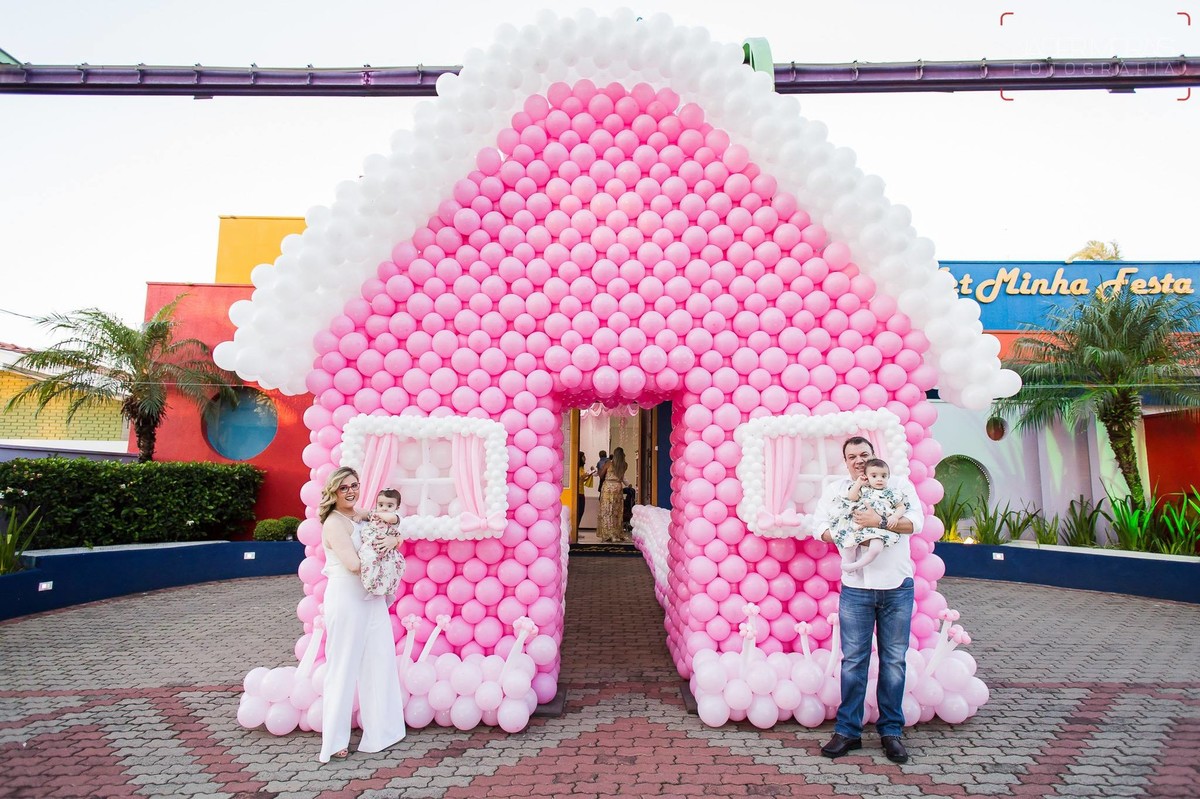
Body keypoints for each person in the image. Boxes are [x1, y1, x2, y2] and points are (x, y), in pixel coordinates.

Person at [813, 437, 923, 764]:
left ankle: (891, 733)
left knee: (893, 661)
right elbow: (820, 526)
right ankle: (848, 731)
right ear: (845, 461)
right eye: (852, 457)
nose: (859, 460)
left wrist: (880, 522)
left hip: (897, 587)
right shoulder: (836, 491)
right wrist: (849, 531)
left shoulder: (898, 484)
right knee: (854, 660)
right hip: (856, 588)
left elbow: (915, 522)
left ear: (874, 456)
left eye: (864, 455)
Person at [317, 467, 407, 763]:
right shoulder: (333, 523)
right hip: (347, 599)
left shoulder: (361, 515)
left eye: (354, 485)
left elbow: (396, 524)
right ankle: (335, 741)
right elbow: (355, 564)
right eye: (344, 488)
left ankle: (384, 731)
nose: (351, 491)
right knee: (343, 668)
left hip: (373, 598)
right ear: (333, 492)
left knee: (380, 661)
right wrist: (384, 552)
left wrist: (394, 541)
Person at [830, 458, 906, 574]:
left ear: (888, 477)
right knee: (849, 544)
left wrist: (895, 516)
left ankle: (856, 565)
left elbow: (901, 506)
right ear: (867, 477)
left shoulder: (892, 493)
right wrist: (858, 483)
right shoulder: (864, 489)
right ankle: (848, 563)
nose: (879, 479)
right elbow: (852, 497)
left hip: (878, 527)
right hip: (859, 524)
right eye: (874, 476)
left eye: (883, 476)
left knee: (876, 549)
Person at [355, 488, 406, 604]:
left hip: (385, 547)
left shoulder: (394, 517)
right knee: (370, 562)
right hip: (372, 545)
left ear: (396, 508)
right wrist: (360, 517)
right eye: (381, 504)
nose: (384, 508)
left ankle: (389, 592)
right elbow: (363, 515)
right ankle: (372, 589)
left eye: (389, 505)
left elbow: (390, 518)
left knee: (391, 568)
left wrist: (377, 513)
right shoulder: (374, 513)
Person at [596, 447, 628, 542]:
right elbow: (621, 477)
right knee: (616, 511)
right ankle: (616, 533)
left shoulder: (608, 463)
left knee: (607, 510)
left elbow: (601, 475)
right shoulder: (624, 465)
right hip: (618, 487)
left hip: (608, 488)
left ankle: (608, 534)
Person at [577, 452, 596, 528]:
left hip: (581, 492)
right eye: (583, 457)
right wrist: (589, 472)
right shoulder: (577, 468)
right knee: (578, 512)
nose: (585, 458)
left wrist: (590, 474)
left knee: (581, 511)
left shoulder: (582, 468)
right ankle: (575, 530)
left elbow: (583, 479)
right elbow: (581, 477)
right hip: (577, 493)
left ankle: (576, 529)